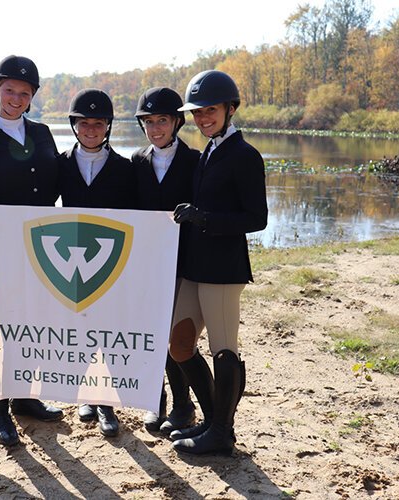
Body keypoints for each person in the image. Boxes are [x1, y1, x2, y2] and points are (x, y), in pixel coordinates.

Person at [0, 55, 63, 447]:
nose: (16, 98)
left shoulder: (43, 133)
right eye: (9, 91)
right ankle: (0, 407)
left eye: (25, 92)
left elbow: (56, 183)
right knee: (4, 327)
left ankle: (27, 397)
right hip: (3, 249)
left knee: (34, 322)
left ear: (33, 96)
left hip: (42, 246)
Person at [169, 70, 268, 455]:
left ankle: (223, 433)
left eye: (210, 110)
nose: (202, 118)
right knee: (179, 343)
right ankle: (212, 417)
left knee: (223, 349)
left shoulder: (245, 155)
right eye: (196, 112)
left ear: (230, 109)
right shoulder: (208, 150)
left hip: (224, 270)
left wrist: (203, 218)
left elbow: (256, 219)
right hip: (196, 266)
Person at [58, 88, 136, 437]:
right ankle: (84, 396)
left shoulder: (125, 168)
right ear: (74, 125)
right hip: (71, 259)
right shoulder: (59, 163)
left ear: (108, 126)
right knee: (79, 330)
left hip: (109, 259)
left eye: (99, 123)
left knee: (107, 330)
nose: (91, 129)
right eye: (84, 123)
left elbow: (139, 217)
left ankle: (106, 402)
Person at [131, 87, 202, 435]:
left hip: (181, 264)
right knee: (150, 335)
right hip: (146, 264)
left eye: (162, 120)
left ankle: (182, 405)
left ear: (177, 121)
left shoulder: (194, 161)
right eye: (149, 121)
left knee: (175, 337)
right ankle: (153, 400)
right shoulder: (137, 161)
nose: (156, 128)